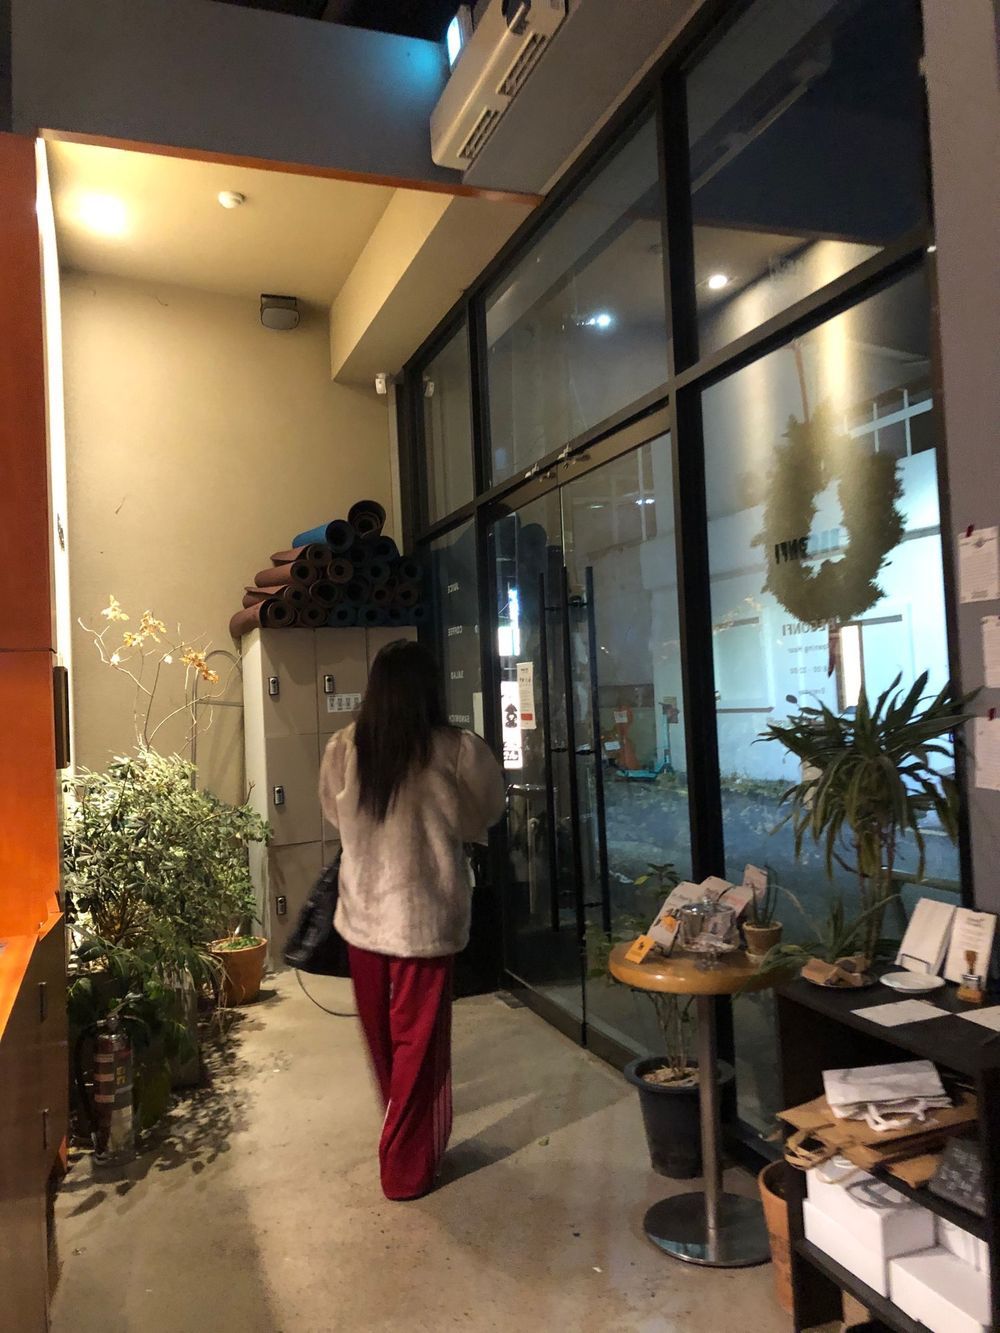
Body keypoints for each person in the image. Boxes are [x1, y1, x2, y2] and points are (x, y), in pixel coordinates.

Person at [319, 639, 506, 1201]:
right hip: (426, 920)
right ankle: (406, 1167)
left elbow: (333, 815)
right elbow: (486, 812)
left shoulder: (345, 747)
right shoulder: (457, 750)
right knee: (419, 1048)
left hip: (363, 915)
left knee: (382, 1041)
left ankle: (400, 1141)